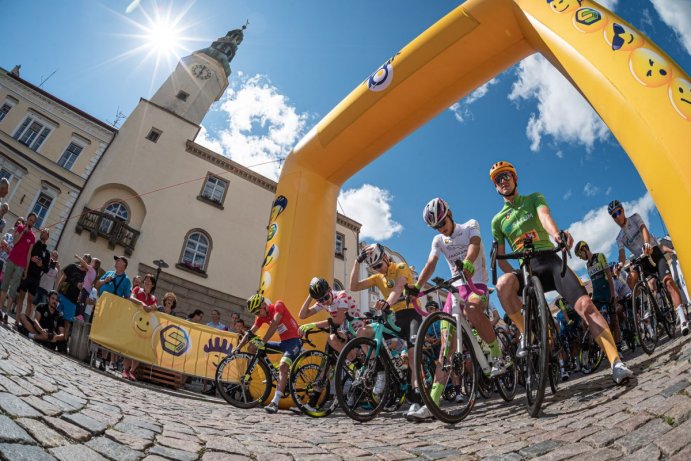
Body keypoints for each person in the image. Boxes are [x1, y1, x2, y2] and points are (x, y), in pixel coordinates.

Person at [489, 161, 632, 385]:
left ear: (515, 179)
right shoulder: (497, 221)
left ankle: (616, 363)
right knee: (503, 285)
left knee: (586, 306)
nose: (503, 181)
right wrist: (516, 277)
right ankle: (528, 333)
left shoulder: (533, 198)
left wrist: (557, 235)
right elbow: (501, 257)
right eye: (498, 179)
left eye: (506, 176)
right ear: (496, 188)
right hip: (526, 269)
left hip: (549, 260)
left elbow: (544, 217)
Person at [407, 198, 506, 421]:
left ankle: (497, 355)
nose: (442, 228)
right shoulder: (438, 240)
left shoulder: (470, 225)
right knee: (445, 348)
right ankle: (432, 404)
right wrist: (416, 287)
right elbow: (430, 264)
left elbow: (475, 245)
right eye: (437, 226)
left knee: (472, 309)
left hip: (475, 284)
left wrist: (469, 263)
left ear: (449, 213)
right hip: (454, 289)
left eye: (443, 222)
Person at [348, 242, 422, 414]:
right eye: (374, 267)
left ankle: (418, 399)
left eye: (379, 265)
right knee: (363, 332)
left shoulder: (401, 267)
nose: (378, 269)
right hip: (394, 318)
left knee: (412, 356)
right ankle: (381, 371)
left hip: (411, 314)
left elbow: (398, 288)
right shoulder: (377, 278)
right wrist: (357, 262)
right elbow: (353, 287)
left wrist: (387, 303)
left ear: (386, 259)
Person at [609, 200, 689, 336]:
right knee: (631, 278)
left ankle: (682, 319)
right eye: (613, 215)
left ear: (623, 210)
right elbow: (622, 254)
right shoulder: (619, 238)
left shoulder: (635, 218)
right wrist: (620, 264)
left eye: (618, 212)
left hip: (653, 252)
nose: (617, 216)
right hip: (642, 260)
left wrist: (647, 243)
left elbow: (643, 229)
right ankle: (645, 305)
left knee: (668, 281)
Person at [234, 294, 300, 414]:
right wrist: (238, 347)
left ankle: (275, 402)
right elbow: (250, 332)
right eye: (256, 314)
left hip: (295, 340)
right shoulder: (262, 317)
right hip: (284, 343)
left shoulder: (278, 305)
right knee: (252, 347)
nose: (258, 315)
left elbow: (275, 324)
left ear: (264, 305)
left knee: (283, 366)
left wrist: (263, 341)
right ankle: (271, 372)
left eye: (258, 312)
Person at [575, 241, 622, 349]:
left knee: (614, 319)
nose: (580, 257)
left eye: (579, 254)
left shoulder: (600, 256)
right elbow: (593, 281)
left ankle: (618, 346)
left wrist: (613, 293)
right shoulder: (587, 264)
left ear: (584, 249)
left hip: (607, 291)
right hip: (597, 294)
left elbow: (609, 276)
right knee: (597, 320)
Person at [298, 277, 362, 354]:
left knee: (336, 343)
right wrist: (311, 296)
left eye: (326, 297)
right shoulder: (322, 303)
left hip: (358, 329)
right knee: (333, 344)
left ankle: (355, 362)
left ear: (330, 289)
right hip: (346, 330)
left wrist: (313, 325)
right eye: (320, 300)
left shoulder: (342, 296)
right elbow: (302, 315)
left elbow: (338, 320)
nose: (324, 301)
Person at [0, 213, 36, 324]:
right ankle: (0, 309)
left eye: (33, 221)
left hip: (21, 265)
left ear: (34, 223)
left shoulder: (33, 237)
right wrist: (22, 232)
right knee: (5, 285)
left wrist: (26, 269)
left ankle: (6, 313)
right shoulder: (20, 227)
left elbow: (29, 254)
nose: (31, 222)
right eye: (30, 219)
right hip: (11, 260)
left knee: (13, 289)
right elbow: (15, 242)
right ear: (27, 219)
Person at [124, 274, 158, 381]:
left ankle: (132, 371)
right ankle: (125, 369)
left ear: (152, 285)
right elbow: (131, 297)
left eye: (149, 281)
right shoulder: (137, 289)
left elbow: (156, 306)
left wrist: (151, 307)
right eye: (146, 280)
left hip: (145, 328)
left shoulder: (153, 297)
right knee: (130, 348)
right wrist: (142, 303)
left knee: (139, 350)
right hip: (134, 323)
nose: (147, 282)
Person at [15, 227, 50, 321]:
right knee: (21, 297)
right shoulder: (34, 244)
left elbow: (46, 269)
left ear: (47, 237)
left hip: (36, 278)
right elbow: (26, 255)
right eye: (43, 231)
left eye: (46, 232)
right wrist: (31, 259)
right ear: (41, 234)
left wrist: (41, 264)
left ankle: (24, 322)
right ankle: (17, 320)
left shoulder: (47, 253)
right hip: (27, 273)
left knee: (30, 301)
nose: (43, 233)